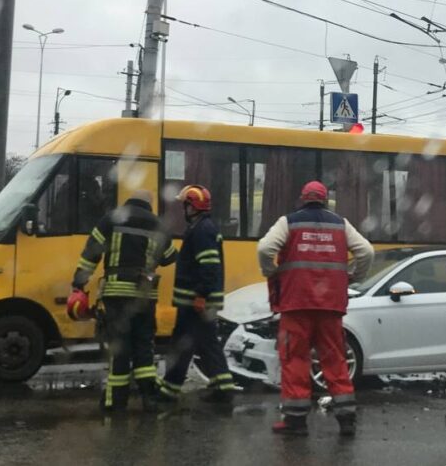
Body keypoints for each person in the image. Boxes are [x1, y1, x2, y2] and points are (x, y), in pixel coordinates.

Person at [257, 181, 375, 437]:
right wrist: (353, 275)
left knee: (295, 358)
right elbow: (366, 251)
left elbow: (265, 248)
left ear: (303, 198)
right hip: (330, 305)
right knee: (334, 358)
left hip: (296, 303)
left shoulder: (288, 222)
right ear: (325, 200)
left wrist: (271, 271)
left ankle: (296, 421)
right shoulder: (340, 224)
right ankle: (346, 420)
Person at [69, 190, 178, 412]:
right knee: (144, 346)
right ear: (149, 204)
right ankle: (150, 399)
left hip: (116, 295)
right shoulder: (157, 224)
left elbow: (91, 253)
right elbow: (169, 257)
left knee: (120, 347)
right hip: (145, 296)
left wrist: (79, 283)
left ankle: (115, 402)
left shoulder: (112, 218)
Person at [157, 184, 237, 404]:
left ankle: (169, 391)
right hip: (195, 302)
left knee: (184, 344)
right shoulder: (202, 227)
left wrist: (200, 295)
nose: (184, 209)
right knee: (205, 345)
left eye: (186, 205)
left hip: (195, 302)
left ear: (192, 207)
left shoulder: (202, 230)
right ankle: (222, 387)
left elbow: (208, 267)